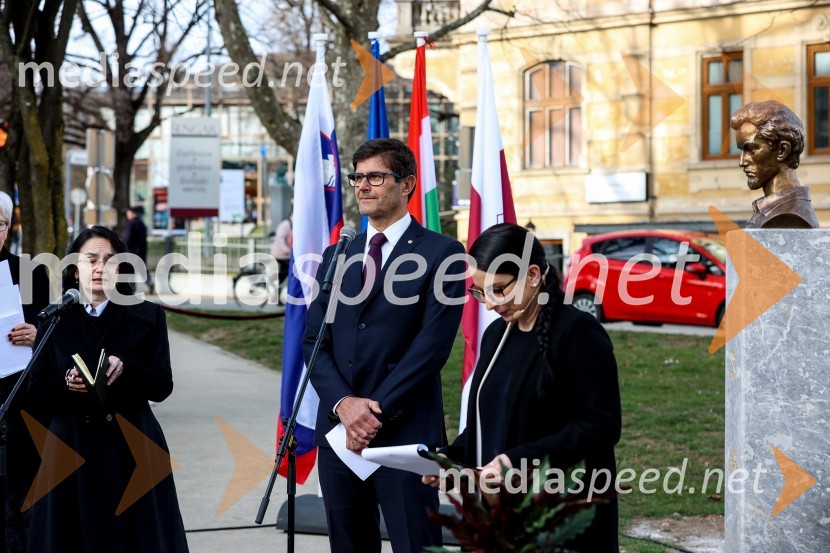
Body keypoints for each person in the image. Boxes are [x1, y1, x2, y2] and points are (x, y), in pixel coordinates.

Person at [303, 138, 466, 553]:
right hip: (340, 436)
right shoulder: (339, 253)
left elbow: (430, 350)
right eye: (357, 176)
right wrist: (344, 405)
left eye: (376, 176)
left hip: (404, 436)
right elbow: (314, 339)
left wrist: (369, 414)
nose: (362, 186)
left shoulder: (443, 253)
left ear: (407, 183)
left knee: (415, 545)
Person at [423, 223, 622, 552]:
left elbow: (602, 425)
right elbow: (484, 426)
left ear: (532, 275)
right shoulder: (495, 336)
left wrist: (519, 460)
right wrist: (449, 460)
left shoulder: (577, 332)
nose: (488, 304)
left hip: (561, 512)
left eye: (498, 289)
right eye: (480, 292)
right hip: (500, 515)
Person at [26, 226, 189, 553]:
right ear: (74, 268)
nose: (100, 268)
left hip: (132, 448)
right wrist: (65, 383)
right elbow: (35, 393)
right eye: (91, 259)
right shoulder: (55, 319)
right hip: (69, 449)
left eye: (110, 260)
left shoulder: (148, 315)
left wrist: (128, 370)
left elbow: (162, 385)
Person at [0, 190, 50, 552]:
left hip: (19, 398)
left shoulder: (30, 272)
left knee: (22, 491)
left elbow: (54, 333)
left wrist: (35, 334)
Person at [730, 100, 819, 229]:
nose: (742, 162)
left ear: (782, 150)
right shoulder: (770, 210)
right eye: (742, 151)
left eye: (751, 149)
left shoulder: (788, 216)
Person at [123, 206, 150, 287]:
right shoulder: (142, 223)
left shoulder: (131, 224)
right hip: (142, 252)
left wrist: (124, 247)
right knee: (142, 270)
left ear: (131, 213)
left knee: (131, 271)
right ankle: (149, 283)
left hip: (132, 252)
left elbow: (127, 238)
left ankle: (131, 287)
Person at [270, 212, 292, 304]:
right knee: (285, 272)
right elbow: (280, 239)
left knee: (284, 274)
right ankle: (272, 284)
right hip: (281, 254)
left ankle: (276, 295)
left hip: (286, 254)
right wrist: (288, 250)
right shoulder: (286, 225)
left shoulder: (291, 224)